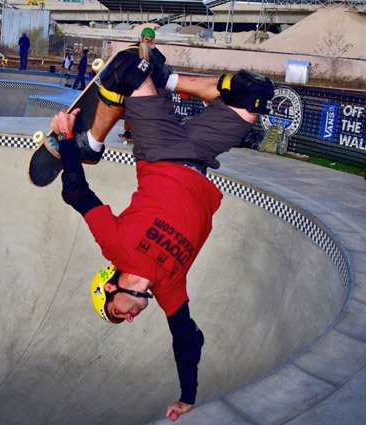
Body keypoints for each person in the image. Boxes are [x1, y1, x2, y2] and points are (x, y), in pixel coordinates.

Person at [47, 47, 274, 421]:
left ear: (111, 287)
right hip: (200, 155)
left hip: (158, 152)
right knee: (255, 91)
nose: (131, 318)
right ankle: (164, 76)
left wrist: (68, 139)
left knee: (125, 68)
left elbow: (76, 193)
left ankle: (94, 143)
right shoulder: (169, 289)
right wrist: (188, 396)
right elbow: (188, 340)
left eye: (118, 315)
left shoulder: (115, 249)